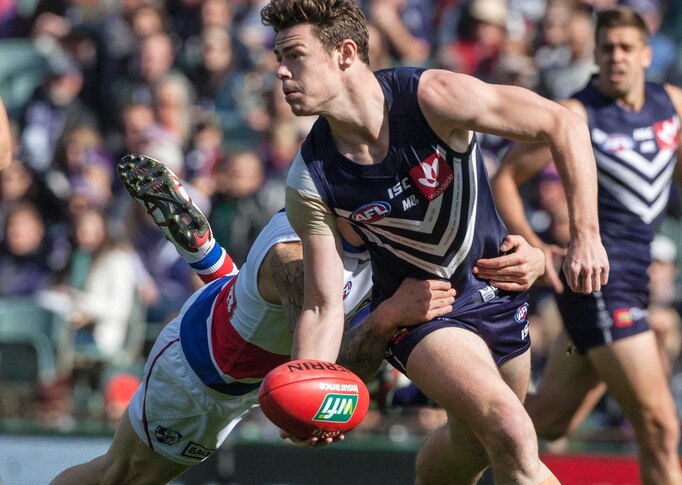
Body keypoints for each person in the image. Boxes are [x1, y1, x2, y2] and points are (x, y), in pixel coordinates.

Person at [265, 1, 608, 483]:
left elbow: (563, 123)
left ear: (344, 53)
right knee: (513, 431)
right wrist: (311, 383)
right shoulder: (310, 178)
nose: (280, 70)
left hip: (495, 290)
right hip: (421, 314)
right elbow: (323, 307)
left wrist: (585, 236)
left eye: (294, 55)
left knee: (472, 444)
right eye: (278, 56)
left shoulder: (432, 97)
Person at [51, 152, 544, 484]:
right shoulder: (298, 259)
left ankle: (212, 261)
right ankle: (213, 263)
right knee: (119, 476)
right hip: (205, 375)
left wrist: (533, 257)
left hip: (262, 341)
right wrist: (385, 320)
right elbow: (315, 370)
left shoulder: (390, 234)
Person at [492, 8, 682, 485]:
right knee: (659, 426)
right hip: (596, 283)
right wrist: (539, 248)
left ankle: (458, 422)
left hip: (634, 283)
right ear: (595, 55)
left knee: (548, 423)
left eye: (625, 48)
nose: (615, 57)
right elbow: (507, 178)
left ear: (646, 55)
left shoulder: (672, 102)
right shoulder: (576, 114)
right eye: (607, 48)